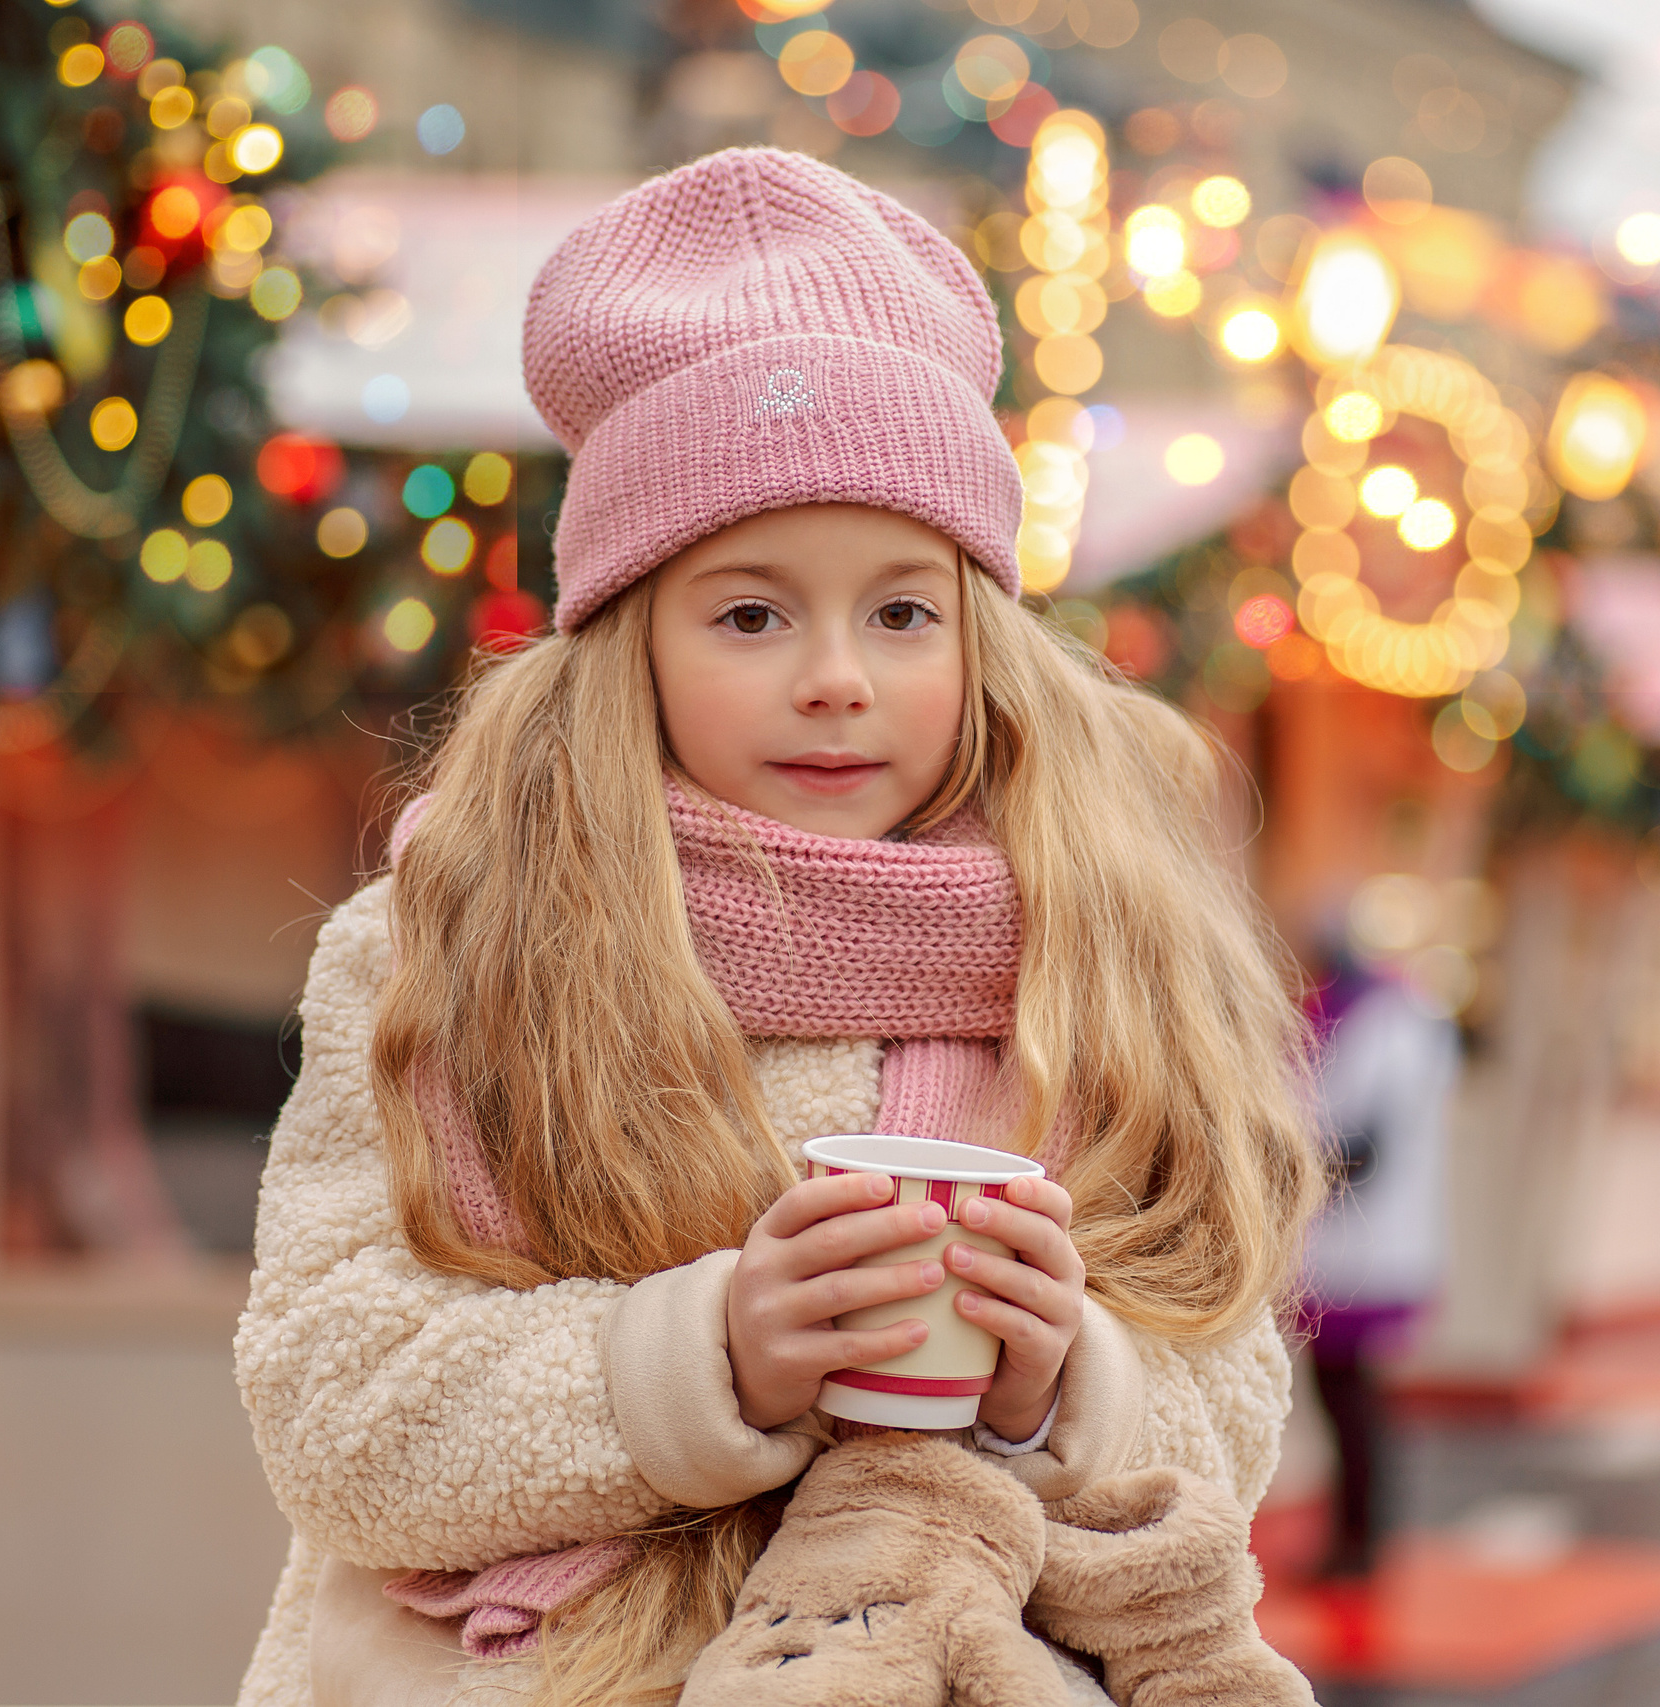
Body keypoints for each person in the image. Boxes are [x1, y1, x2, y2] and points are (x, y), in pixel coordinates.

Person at [233, 147, 1325, 1707]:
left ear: (980, 635)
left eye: (902, 609)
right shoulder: (454, 940)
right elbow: (335, 1407)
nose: (838, 675)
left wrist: (1063, 1377)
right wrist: (709, 1357)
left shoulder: (1100, 953)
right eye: (751, 612)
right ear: (636, 641)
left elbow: (1228, 1413)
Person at [1296, 950, 1459, 1583]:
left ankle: (1359, 1541)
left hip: (1360, 1245)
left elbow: (1362, 1146)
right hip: (1356, 1242)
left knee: (1350, 1399)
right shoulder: (1388, 1020)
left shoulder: (1385, 1027)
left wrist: (1292, 1178)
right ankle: (1357, 1534)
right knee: (1349, 1397)